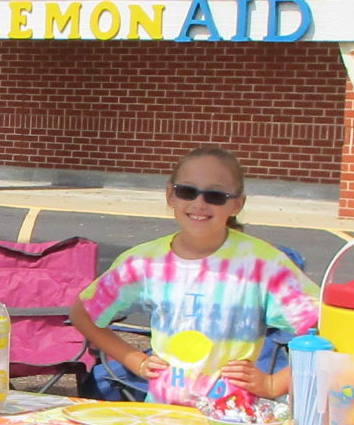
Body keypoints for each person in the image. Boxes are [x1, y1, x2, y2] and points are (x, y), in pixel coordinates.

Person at [67, 145, 318, 408]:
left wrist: (274, 383)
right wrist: (135, 360)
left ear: (237, 204)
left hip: (232, 418)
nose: (200, 203)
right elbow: (83, 313)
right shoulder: (144, 262)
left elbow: (329, 329)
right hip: (164, 415)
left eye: (215, 196)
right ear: (170, 195)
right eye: (187, 191)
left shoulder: (263, 265)